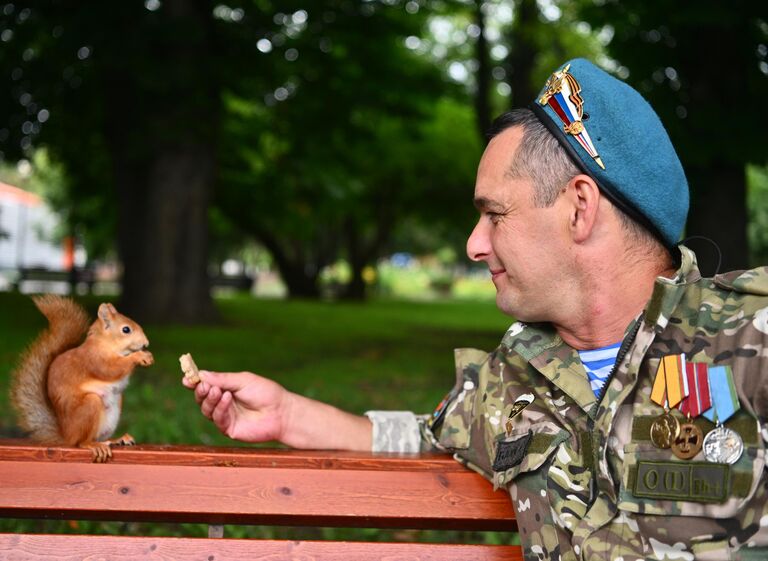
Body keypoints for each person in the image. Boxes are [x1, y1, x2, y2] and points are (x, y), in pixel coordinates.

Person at [186, 59, 768, 560]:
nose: (474, 244)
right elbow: (428, 437)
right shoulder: (513, 377)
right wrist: (288, 415)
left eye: (495, 214)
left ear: (579, 209)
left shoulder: (750, 340)